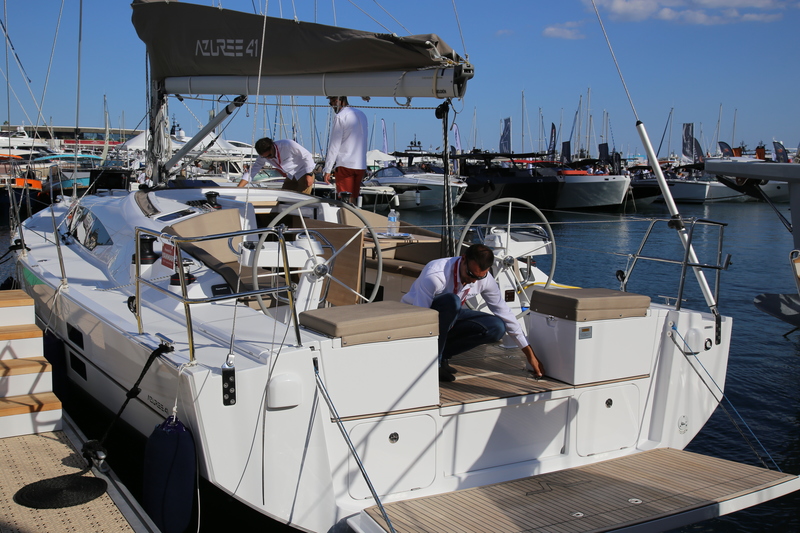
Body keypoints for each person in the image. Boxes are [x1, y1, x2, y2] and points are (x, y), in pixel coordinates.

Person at [402, 244, 545, 382]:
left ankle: (443, 355)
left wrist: (529, 355)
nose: (472, 280)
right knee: (452, 301)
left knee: (497, 327)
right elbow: (421, 317)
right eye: (470, 274)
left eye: (479, 277)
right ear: (463, 259)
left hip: (450, 317)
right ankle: (434, 363)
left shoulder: (484, 279)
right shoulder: (436, 275)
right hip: (416, 315)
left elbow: (505, 313)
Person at [322, 96, 368, 201]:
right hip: (360, 164)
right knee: (354, 199)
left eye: (333, 102)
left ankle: (345, 217)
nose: (332, 106)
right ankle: (353, 217)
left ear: (339, 101)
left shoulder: (340, 116)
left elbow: (334, 145)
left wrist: (327, 169)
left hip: (345, 164)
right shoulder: (362, 115)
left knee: (344, 200)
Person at [238, 137, 316, 194]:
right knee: (283, 197)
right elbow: (253, 171)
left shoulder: (288, 144)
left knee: (301, 199)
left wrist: (308, 173)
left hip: (303, 171)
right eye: (265, 157)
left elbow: (307, 155)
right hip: (291, 175)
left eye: (269, 155)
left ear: (272, 146)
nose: (268, 158)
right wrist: (239, 188)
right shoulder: (263, 156)